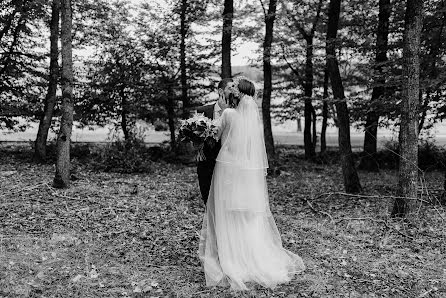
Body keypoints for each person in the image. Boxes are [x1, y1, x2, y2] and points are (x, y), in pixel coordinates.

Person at [198, 76, 305, 291]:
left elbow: (214, 137)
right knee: (243, 213)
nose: (232, 88)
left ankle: (229, 257)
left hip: (225, 166)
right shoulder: (250, 118)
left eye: (235, 87)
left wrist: (200, 130)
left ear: (238, 93)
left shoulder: (228, 113)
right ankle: (247, 255)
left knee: (225, 211)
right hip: (243, 168)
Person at [195, 78, 234, 205]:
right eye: (230, 88)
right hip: (206, 164)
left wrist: (225, 112)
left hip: (228, 164)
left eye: (235, 88)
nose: (234, 91)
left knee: (225, 203)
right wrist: (197, 144)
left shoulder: (236, 113)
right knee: (208, 200)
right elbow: (195, 138)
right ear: (220, 91)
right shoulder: (203, 111)